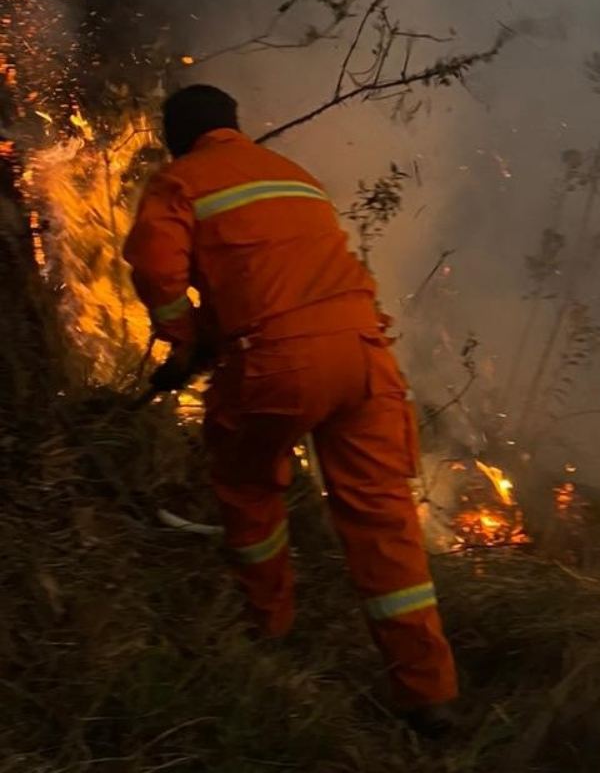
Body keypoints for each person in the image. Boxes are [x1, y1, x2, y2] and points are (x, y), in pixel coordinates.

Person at [122, 84, 458, 735]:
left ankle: (268, 628)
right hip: (365, 357)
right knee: (381, 518)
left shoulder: (179, 180)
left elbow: (158, 269)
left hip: (281, 365)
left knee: (247, 485)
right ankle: (431, 696)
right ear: (235, 127)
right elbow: (274, 274)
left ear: (174, 136)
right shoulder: (294, 176)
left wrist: (185, 337)